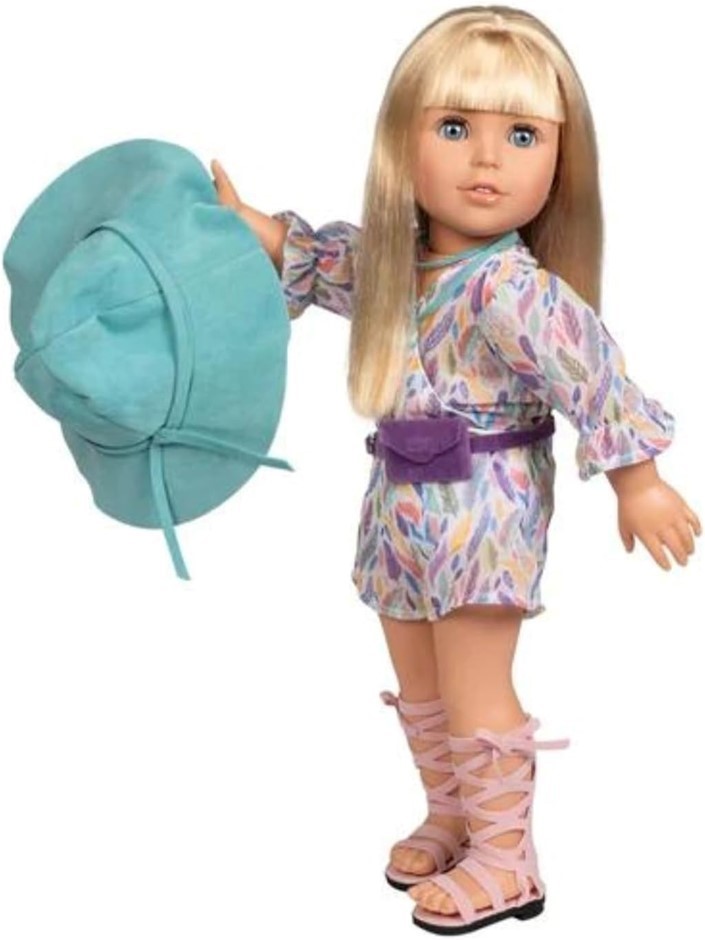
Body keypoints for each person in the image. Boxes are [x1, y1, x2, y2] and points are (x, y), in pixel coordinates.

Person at [210, 6, 701, 934]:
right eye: (453, 127)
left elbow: (591, 373)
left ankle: (508, 860)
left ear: (559, 159)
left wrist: (637, 481)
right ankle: (454, 817)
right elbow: (326, 262)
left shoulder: (514, 292)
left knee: (474, 681)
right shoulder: (396, 267)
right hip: (397, 502)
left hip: (486, 508)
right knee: (419, 678)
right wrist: (253, 228)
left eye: (520, 136)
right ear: (403, 141)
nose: (486, 160)